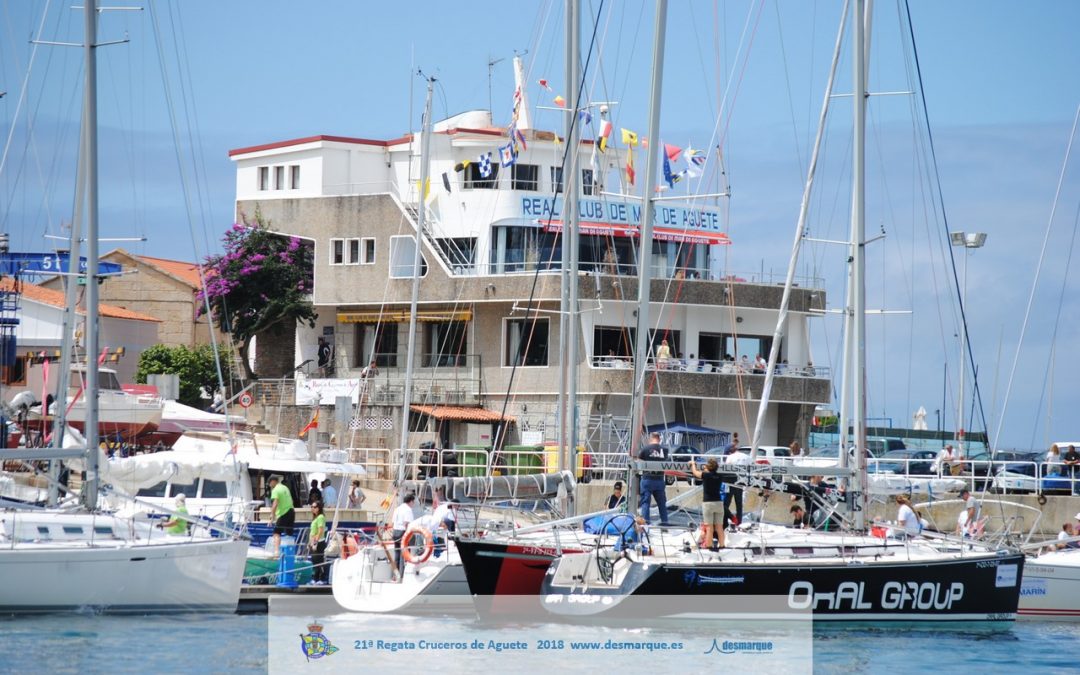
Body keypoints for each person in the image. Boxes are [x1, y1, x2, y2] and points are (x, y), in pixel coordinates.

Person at [689, 457, 725, 549]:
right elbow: (711, 473)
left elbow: (695, 472)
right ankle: (722, 546)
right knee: (719, 527)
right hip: (719, 503)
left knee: (709, 528)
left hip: (708, 503)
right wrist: (707, 469)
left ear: (708, 467)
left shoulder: (706, 475)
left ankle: (709, 546)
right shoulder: (720, 476)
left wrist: (693, 464)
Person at [638, 432, 670, 526]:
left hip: (647, 479)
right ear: (659, 439)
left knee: (645, 503)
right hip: (659, 479)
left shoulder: (645, 449)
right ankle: (665, 524)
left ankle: (646, 525)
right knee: (661, 504)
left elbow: (638, 461)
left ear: (650, 439)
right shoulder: (664, 450)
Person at [724, 444, 751, 529]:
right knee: (739, 504)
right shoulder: (747, 457)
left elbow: (725, 469)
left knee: (726, 504)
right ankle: (739, 522)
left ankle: (724, 520)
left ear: (729, 452)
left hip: (730, 482)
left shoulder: (730, 457)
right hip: (741, 482)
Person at [268, 474, 296, 555]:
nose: (270, 485)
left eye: (270, 483)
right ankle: (290, 553)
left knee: (276, 533)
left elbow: (275, 503)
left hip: (283, 512)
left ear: (273, 481)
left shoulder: (275, 490)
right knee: (289, 534)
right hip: (291, 511)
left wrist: (272, 516)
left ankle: (276, 552)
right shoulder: (285, 487)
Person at [391, 493, 416, 574]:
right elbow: (407, 524)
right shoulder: (408, 510)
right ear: (411, 501)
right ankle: (402, 574)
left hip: (395, 532)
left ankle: (395, 574)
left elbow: (393, 522)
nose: (414, 504)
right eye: (413, 502)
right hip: (403, 533)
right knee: (404, 554)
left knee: (397, 553)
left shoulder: (397, 509)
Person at [308, 501, 328, 584]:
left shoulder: (320, 517)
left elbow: (320, 530)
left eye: (315, 507)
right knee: (314, 560)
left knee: (318, 561)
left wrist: (315, 542)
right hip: (313, 542)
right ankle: (315, 578)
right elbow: (312, 532)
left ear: (319, 508)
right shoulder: (315, 518)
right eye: (312, 507)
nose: (313, 508)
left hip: (318, 542)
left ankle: (319, 579)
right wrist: (310, 543)